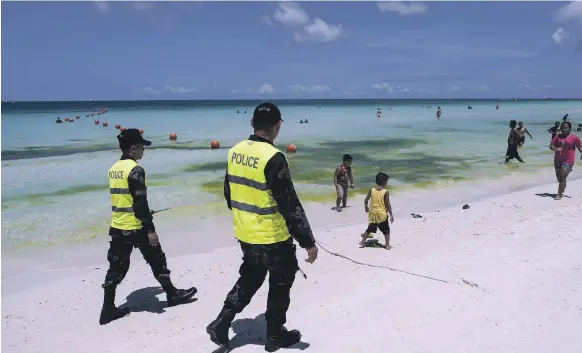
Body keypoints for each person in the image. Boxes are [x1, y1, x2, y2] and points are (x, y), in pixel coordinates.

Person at [206, 102, 318, 352]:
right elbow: (290, 204)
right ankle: (275, 335)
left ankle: (223, 321)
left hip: (245, 234)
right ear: (278, 126)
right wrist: (308, 242)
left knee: (250, 276)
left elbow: (228, 193)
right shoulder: (274, 158)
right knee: (280, 283)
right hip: (273, 237)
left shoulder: (233, 152)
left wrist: (247, 220)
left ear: (252, 124)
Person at [100, 129, 197, 325]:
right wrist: (150, 229)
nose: (144, 150)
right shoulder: (135, 170)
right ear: (133, 148)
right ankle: (172, 295)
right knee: (157, 259)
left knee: (116, 268)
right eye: (142, 147)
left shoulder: (113, 168)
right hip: (137, 227)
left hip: (118, 226)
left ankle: (107, 309)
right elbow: (140, 203)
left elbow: (123, 198)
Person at [360, 172, 394, 250]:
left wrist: (366, 207)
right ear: (385, 182)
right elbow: (388, 204)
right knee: (386, 231)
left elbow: (366, 200)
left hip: (373, 214)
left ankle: (362, 242)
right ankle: (387, 245)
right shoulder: (385, 192)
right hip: (381, 215)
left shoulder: (372, 190)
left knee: (369, 229)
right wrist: (391, 215)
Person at [549, 121, 582, 200]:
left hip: (568, 160)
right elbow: (551, 145)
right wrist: (556, 149)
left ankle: (559, 194)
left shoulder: (574, 138)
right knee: (559, 178)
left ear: (569, 128)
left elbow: (580, 147)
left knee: (563, 177)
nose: (564, 129)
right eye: (562, 128)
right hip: (557, 160)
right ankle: (563, 186)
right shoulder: (557, 136)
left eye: (566, 128)